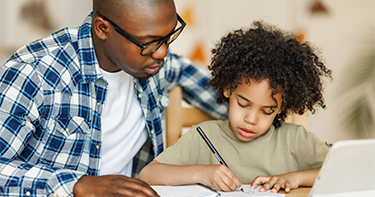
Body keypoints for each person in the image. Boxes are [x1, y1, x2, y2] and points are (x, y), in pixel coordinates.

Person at [0, 0, 228, 196]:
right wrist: (78, 186)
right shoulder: (35, 73)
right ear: (102, 29)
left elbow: (238, 104)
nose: (162, 52)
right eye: (149, 42)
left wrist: (259, 124)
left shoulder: (154, 66)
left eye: (169, 36)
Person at [139, 20, 333, 193]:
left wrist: (296, 178)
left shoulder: (296, 139)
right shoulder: (202, 136)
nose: (251, 119)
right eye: (243, 104)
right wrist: (201, 173)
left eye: (267, 111)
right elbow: (147, 175)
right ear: (228, 89)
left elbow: (347, 168)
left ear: (281, 107)